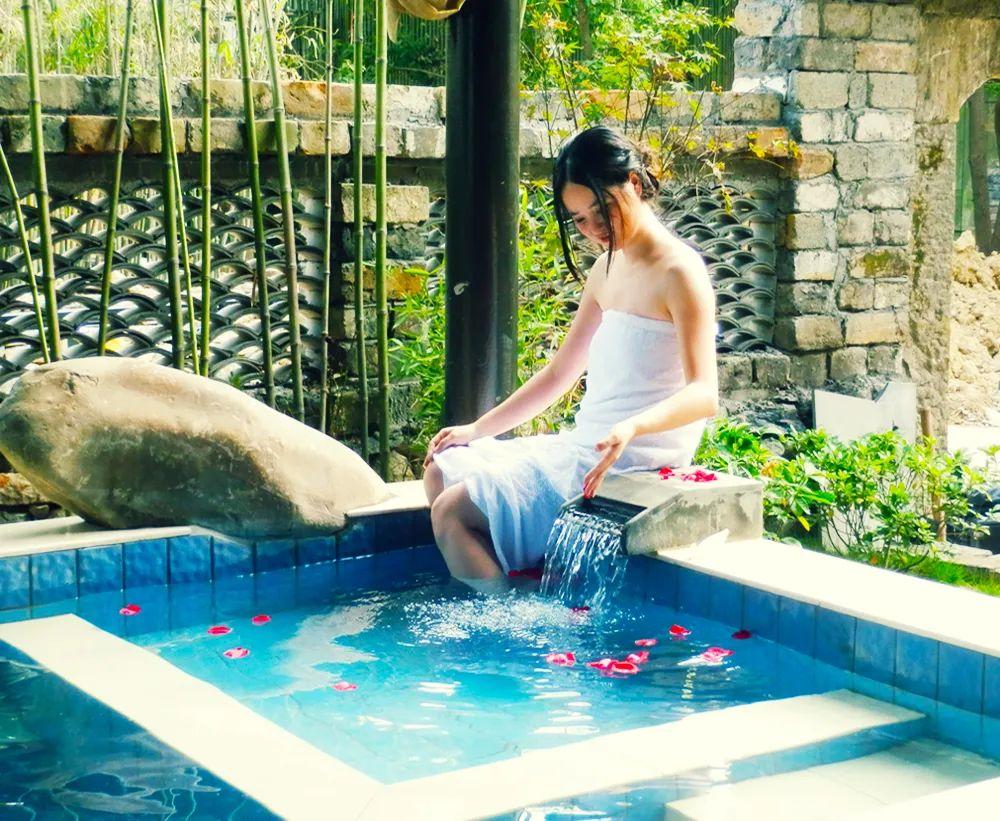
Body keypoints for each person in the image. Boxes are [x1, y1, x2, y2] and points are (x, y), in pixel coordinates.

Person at [422, 125, 718, 590]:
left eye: (601, 210)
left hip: (633, 454)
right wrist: (477, 429)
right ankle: (518, 591)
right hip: (589, 444)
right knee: (440, 470)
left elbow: (704, 394)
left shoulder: (679, 272)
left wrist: (633, 426)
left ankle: (509, 620)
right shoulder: (606, 269)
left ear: (633, 184)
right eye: (579, 219)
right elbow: (561, 372)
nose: (594, 229)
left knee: (451, 514)